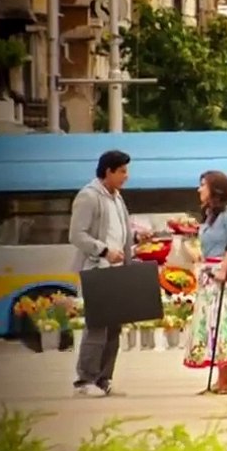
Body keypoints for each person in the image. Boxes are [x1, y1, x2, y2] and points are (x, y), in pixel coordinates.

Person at [70, 150, 137, 397]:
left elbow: (121, 232)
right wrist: (104, 250)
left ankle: (103, 379)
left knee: (114, 328)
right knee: (97, 326)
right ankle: (84, 380)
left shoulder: (117, 198)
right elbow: (77, 235)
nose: (126, 176)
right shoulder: (88, 196)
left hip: (117, 272)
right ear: (108, 171)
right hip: (96, 270)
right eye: (122, 171)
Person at [182, 170, 227, 393]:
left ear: (215, 188)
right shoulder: (210, 215)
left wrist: (223, 269)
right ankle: (220, 378)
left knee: (225, 323)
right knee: (212, 324)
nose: (199, 189)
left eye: (203, 185)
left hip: (224, 275)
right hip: (208, 275)